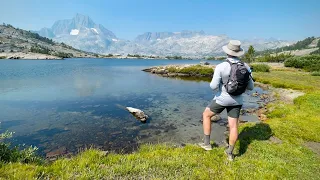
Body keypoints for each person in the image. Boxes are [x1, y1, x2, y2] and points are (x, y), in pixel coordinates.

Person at [198, 40, 254, 161]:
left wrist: (219, 86)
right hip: (237, 101)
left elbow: (213, 86)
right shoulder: (246, 67)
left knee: (206, 115)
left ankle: (207, 144)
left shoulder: (221, 66)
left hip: (222, 99)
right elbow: (251, 87)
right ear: (239, 53)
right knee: (233, 126)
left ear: (227, 52)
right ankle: (229, 153)